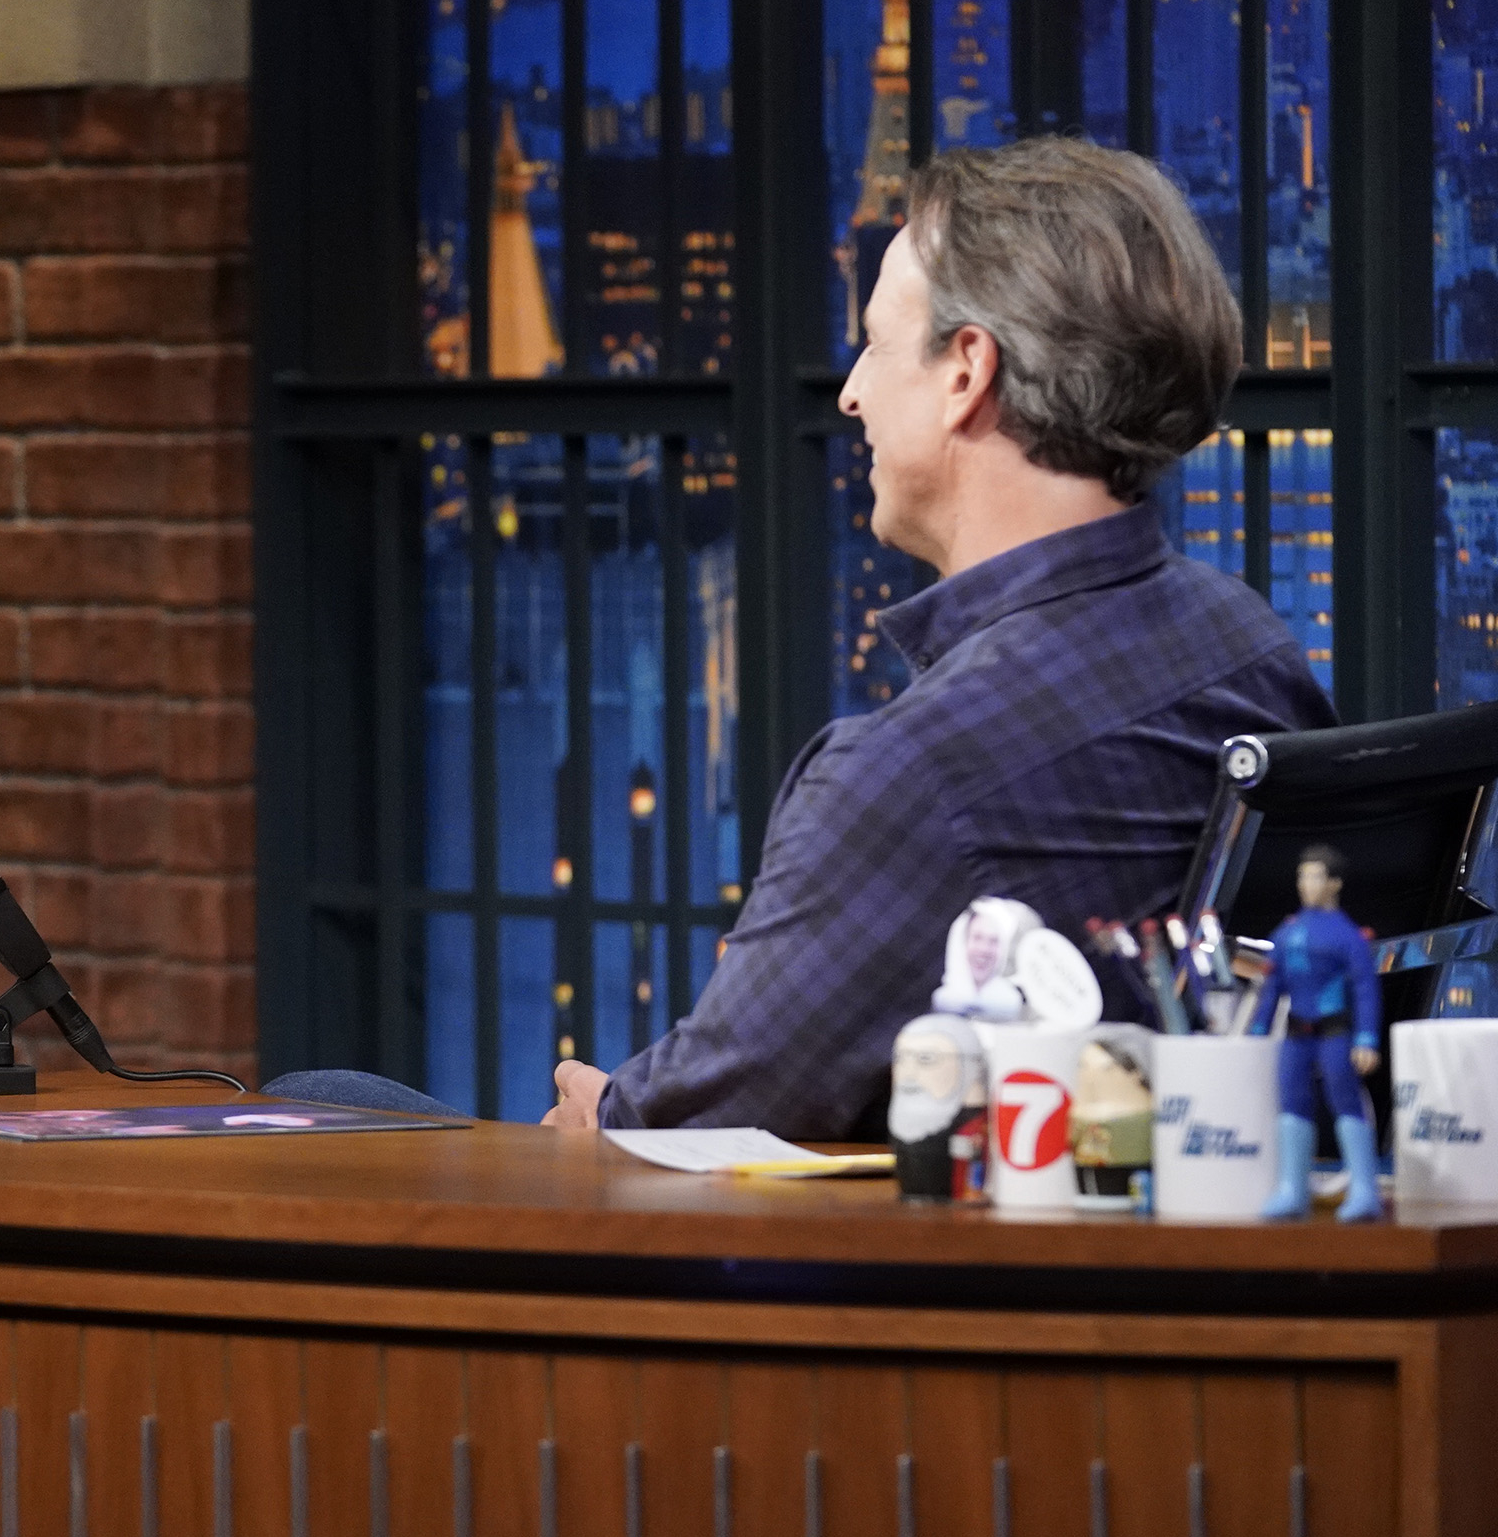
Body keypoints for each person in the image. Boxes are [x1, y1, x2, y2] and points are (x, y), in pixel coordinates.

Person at [544, 138, 1335, 1138]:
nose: (850, 393)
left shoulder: (912, 775)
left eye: (875, 345)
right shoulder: (1247, 642)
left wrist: (597, 1118)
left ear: (966, 371)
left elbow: (678, 1130)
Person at [1251, 844, 1385, 1221]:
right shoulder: (1288, 932)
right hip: (1296, 1034)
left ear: (1334, 884)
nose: (1306, 884)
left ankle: (1364, 1190)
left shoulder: (1347, 936)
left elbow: (1365, 989)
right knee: (1291, 1101)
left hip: (1334, 1033)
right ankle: (1292, 1188)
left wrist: (1366, 1039)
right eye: (1302, 876)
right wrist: (1258, 1031)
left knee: (1345, 1100)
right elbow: (1272, 988)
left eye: (1315, 876)